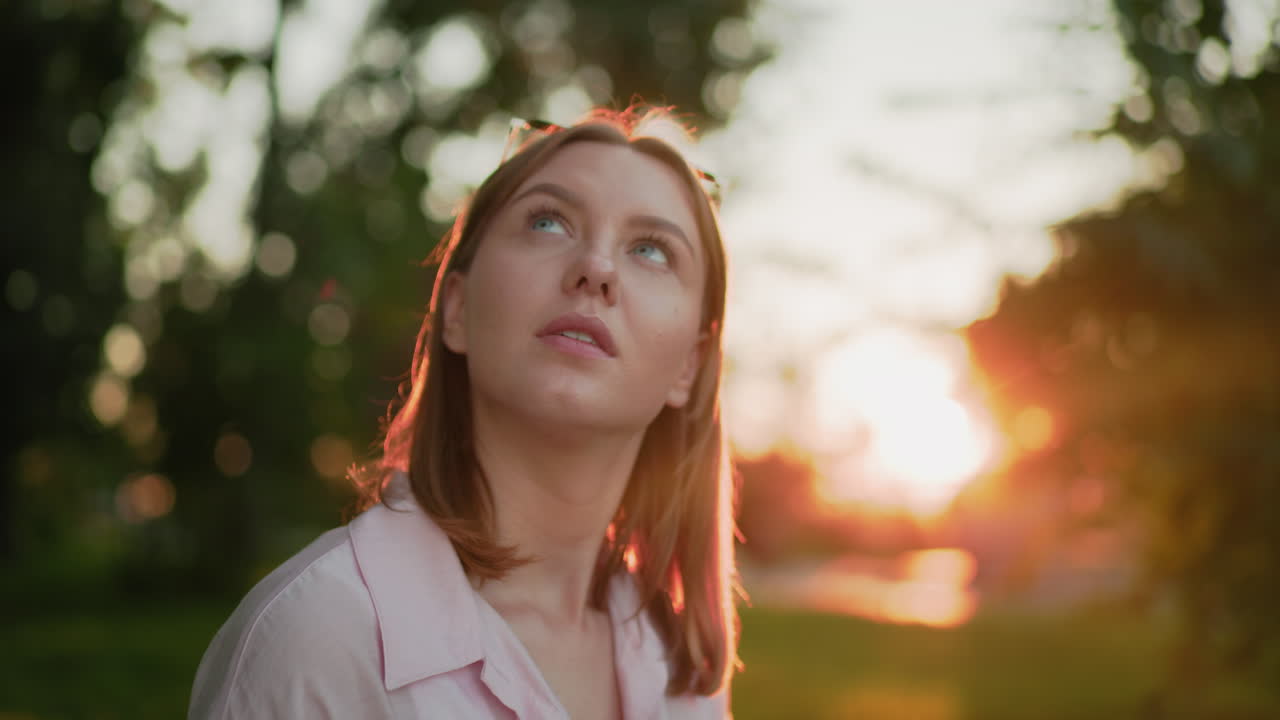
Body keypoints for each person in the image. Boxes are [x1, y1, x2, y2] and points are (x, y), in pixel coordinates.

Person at [188, 106, 739, 719]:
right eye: (549, 221)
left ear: (689, 365)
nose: (597, 269)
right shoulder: (319, 639)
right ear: (456, 309)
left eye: (652, 250)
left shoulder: (679, 671)